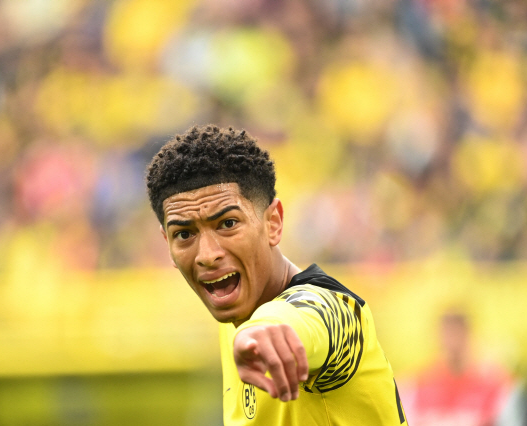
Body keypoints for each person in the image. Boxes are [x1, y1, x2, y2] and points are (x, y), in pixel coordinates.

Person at [145, 124, 407, 425]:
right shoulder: (235, 310)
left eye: (228, 224)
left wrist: (266, 329)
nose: (207, 255)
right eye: (184, 234)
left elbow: (310, 318)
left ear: (273, 223)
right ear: (167, 244)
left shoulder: (335, 309)